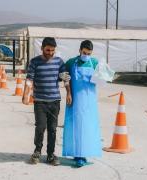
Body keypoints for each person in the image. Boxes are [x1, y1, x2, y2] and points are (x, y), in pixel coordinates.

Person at [23, 37, 72, 166]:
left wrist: (68, 93)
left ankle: (50, 155)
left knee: (52, 129)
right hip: (39, 101)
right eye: (47, 50)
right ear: (42, 48)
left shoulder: (59, 62)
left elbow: (65, 78)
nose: (50, 53)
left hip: (54, 101)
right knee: (40, 127)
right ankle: (37, 152)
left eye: (52, 50)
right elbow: (29, 79)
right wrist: (25, 94)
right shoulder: (34, 62)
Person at [62, 40, 102, 167]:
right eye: (84, 53)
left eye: (89, 53)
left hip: (89, 100)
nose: (86, 55)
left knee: (88, 127)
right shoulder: (71, 62)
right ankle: (78, 155)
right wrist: (68, 93)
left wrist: (105, 75)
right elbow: (65, 79)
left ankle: (85, 153)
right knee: (77, 126)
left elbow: (102, 78)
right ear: (79, 50)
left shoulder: (94, 62)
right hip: (76, 99)